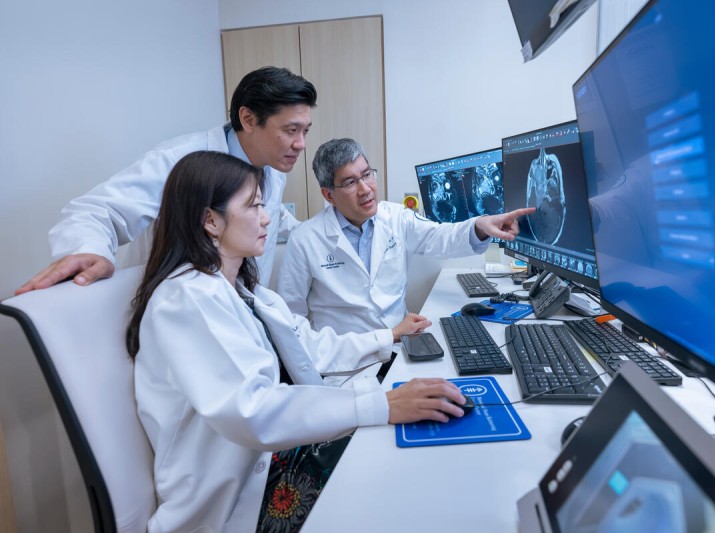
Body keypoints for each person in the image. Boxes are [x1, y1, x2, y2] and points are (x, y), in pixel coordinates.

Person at [127, 151, 466, 533]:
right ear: (210, 220)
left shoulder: (245, 293)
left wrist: (388, 338)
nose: (267, 217)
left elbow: (313, 346)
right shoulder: (187, 299)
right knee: (398, 483)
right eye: (254, 206)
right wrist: (380, 405)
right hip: (240, 497)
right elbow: (253, 410)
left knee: (414, 441)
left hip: (269, 457)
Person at [16, 66, 314, 295]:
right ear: (248, 119)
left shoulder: (271, 167)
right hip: (183, 310)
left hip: (239, 308)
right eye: (290, 130)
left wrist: (318, 232)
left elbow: (270, 214)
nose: (301, 144)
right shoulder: (177, 161)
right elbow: (96, 211)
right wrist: (89, 249)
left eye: (305, 131)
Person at [277, 138, 534, 379]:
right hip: (345, 368)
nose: (366, 189)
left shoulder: (396, 217)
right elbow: (291, 325)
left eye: (367, 174)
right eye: (350, 182)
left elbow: (439, 236)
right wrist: (387, 336)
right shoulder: (305, 239)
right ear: (328, 194)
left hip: (402, 350)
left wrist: (480, 225)